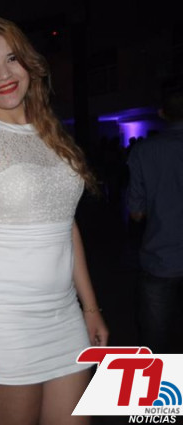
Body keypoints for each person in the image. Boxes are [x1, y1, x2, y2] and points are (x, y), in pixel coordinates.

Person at [0, 17, 108, 425]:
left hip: (64, 316)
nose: (4, 74)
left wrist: (90, 307)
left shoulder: (52, 133)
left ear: (28, 63)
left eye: (12, 58)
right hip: (2, 321)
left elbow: (67, 225)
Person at [126, 80, 183, 354]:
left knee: (156, 346)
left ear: (162, 113)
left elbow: (136, 213)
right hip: (162, 259)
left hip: (161, 259)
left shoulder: (144, 151)